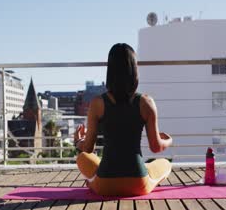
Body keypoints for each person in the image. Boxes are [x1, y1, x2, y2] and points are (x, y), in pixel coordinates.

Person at [74, 43, 173, 196]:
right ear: (134, 70)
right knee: (165, 165)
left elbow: (87, 149)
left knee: (82, 158)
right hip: (138, 184)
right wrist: (168, 140)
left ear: (110, 71)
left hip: (105, 185)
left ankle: (92, 182)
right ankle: (149, 181)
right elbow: (156, 147)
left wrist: (78, 141)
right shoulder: (146, 102)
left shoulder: (97, 103)